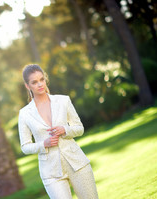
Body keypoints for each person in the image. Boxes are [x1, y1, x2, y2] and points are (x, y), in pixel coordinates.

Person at [18, 64, 99, 199]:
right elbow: (25, 147)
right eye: (34, 82)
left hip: (77, 164)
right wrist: (44, 144)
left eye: (41, 79)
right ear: (27, 86)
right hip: (51, 173)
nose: (39, 84)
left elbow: (79, 128)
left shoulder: (63, 100)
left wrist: (65, 130)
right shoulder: (24, 113)